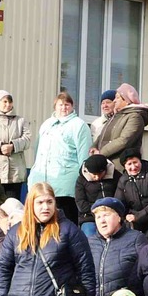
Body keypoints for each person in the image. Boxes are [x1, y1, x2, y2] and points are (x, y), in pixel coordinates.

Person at [28, 91, 93, 219]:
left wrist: (83, 181)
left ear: (72, 106)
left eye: (67, 105)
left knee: (64, 221)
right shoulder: (46, 124)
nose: (64, 108)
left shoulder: (79, 125)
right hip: (40, 183)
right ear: (55, 107)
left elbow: (84, 155)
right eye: (60, 105)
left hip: (65, 185)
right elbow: (38, 150)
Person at [0, 89, 31, 204]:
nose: (8, 105)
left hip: (15, 173)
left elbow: (27, 139)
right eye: (4, 102)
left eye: (10, 102)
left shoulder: (20, 121)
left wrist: (14, 146)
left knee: (13, 205)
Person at [93, 84, 148, 174]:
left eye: (117, 98)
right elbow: (103, 135)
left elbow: (124, 140)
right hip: (106, 165)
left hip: (119, 169)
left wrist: (101, 153)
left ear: (126, 101)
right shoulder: (117, 116)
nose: (114, 101)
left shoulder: (135, 117)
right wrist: (94, 147)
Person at [116, 153, 148, 233]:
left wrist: (138, 216)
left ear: (140, 161)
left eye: (135, 162)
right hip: (135, 222)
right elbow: (119, 203)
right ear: (124, 166)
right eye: (129, 164)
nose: (133, 167)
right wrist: (125, 216)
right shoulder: (123, 180)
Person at [74, 154, 115, 226]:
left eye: (100, 174)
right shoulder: (81, 180)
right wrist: (100, 209)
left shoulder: (115, 176)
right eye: (94, 174)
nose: (97, 177)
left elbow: (120, 196)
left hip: (112, 214)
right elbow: (81, 203)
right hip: (89, 217)